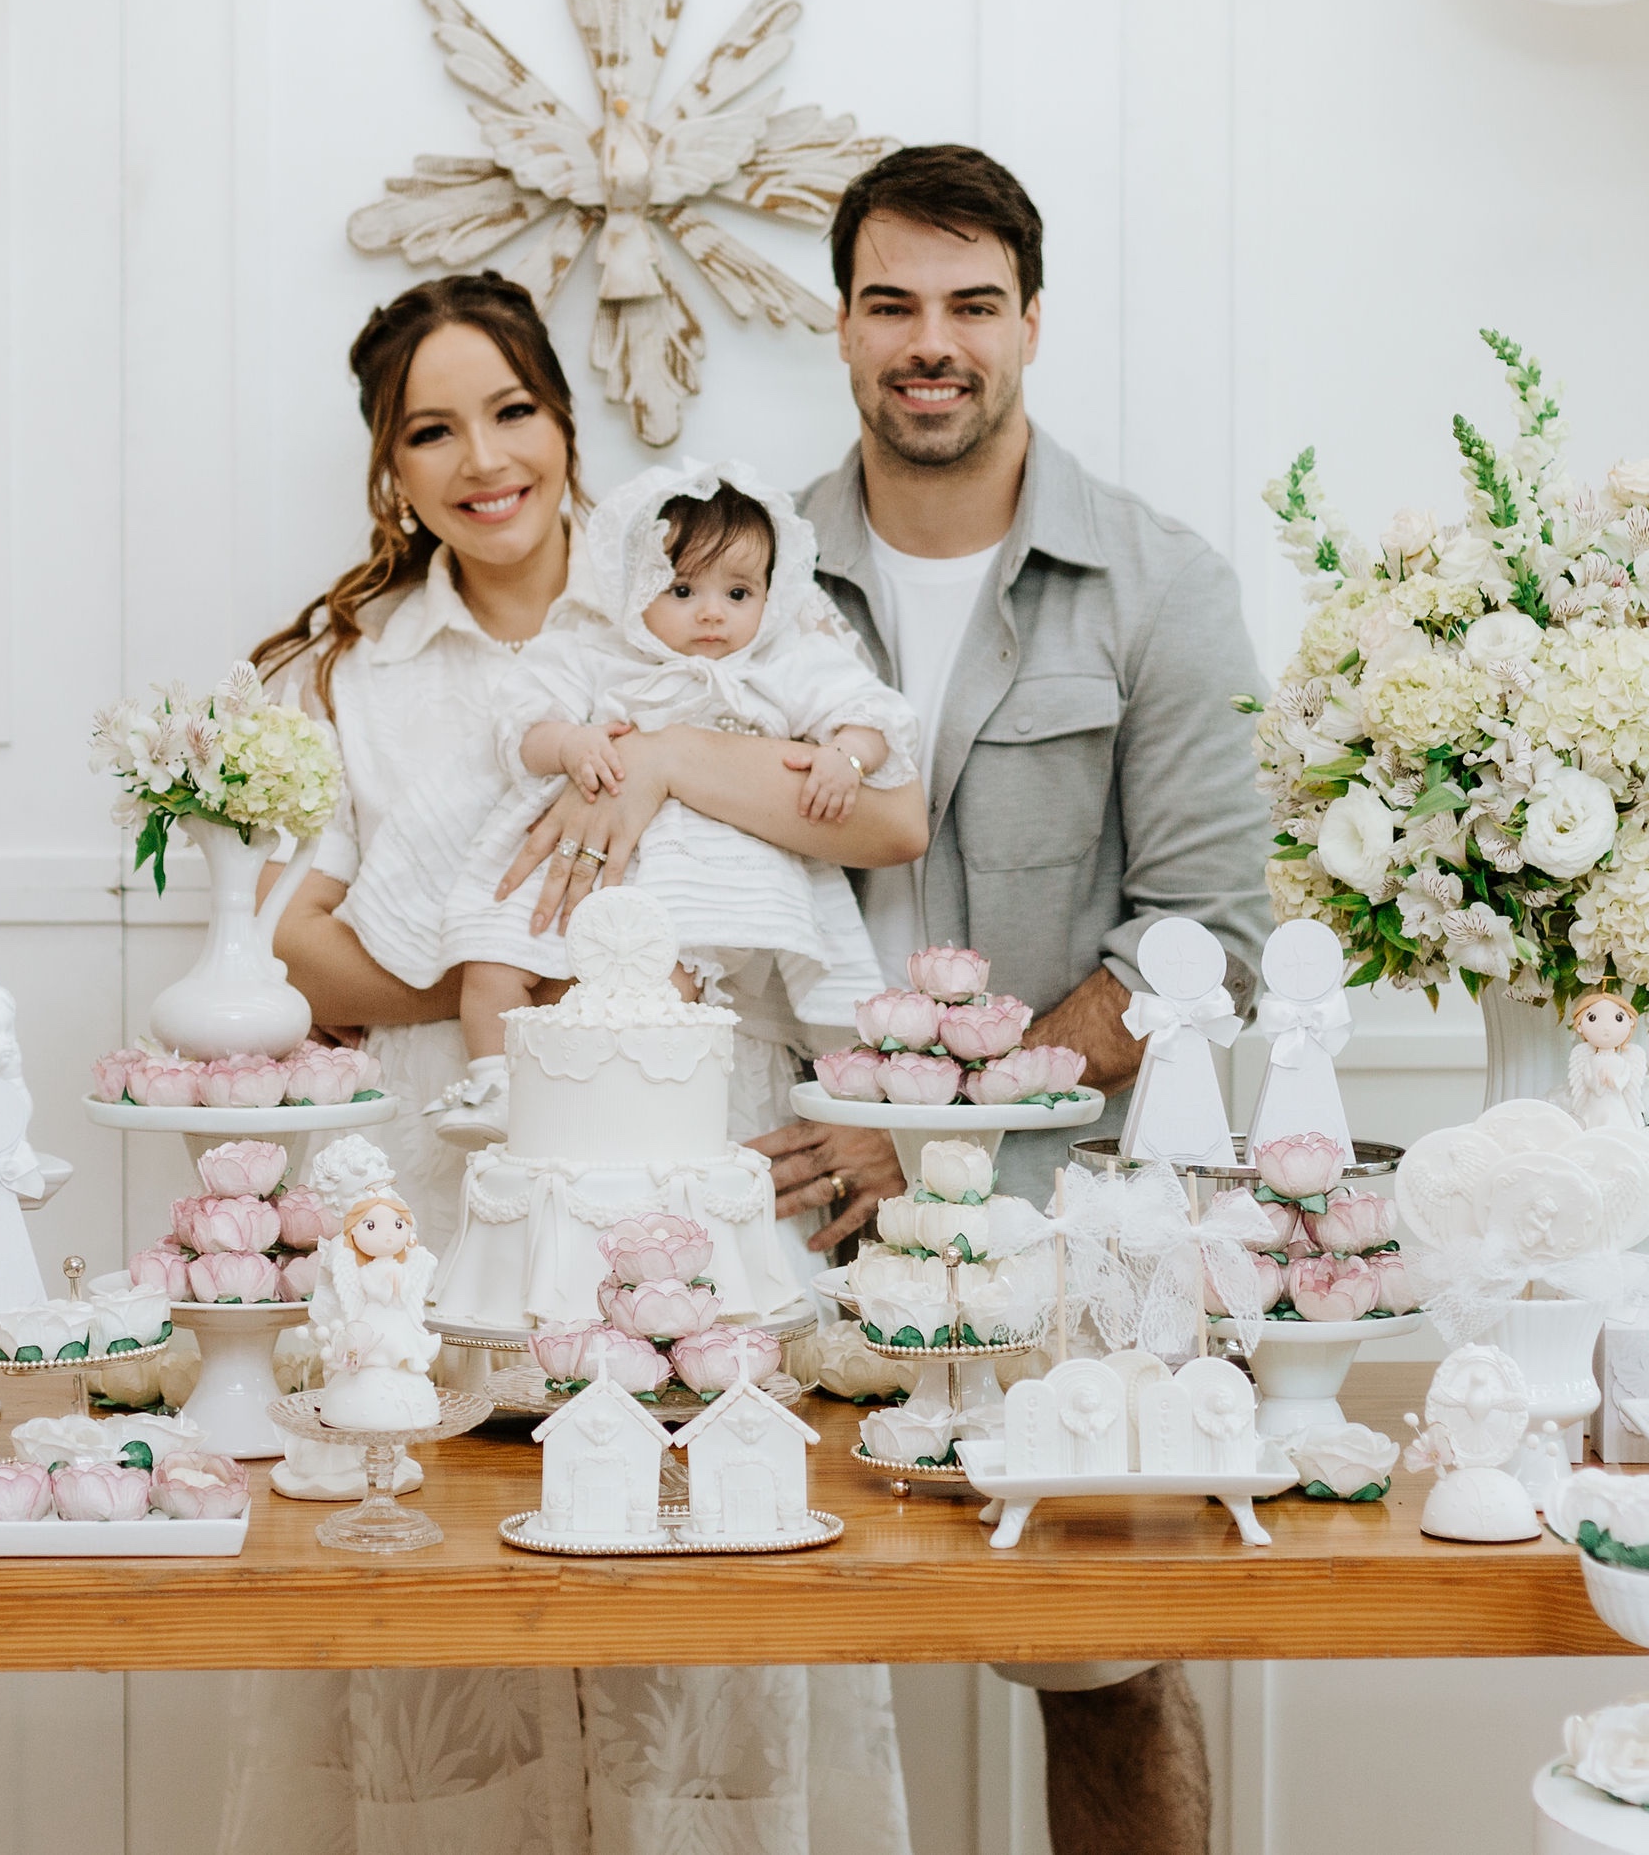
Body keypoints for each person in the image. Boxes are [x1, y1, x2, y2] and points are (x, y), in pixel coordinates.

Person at [511, 144, 1275, 1855]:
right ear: (843, 326)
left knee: (1103, 1663)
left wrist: (925, 1115)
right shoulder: (721, 576)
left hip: (1062, 1227)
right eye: (893, 304)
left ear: (1030, 324)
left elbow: (1207, 939)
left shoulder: (1158, 587)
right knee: (723, 1682)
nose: (933, 341)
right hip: (759, 1211)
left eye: (972, 304)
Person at [222, 270, 923, 1855]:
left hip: (700, 1163)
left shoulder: (708, 579)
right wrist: (524, 973)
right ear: (390, 471)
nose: (486, 458)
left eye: (514, 410)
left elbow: (884, 810)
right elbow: (292, 945)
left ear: (564, 414)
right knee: (452, 1632)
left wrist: (672, 761)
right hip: (450, 1178)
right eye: (433, 431)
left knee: (706, 1600)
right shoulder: (358, 672)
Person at [394, 457, 917, 1138]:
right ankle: (495, 1087)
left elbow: (873, 713)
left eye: (739, 594)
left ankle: (632, 1111)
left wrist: (847, 755)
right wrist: (570, 744)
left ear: (772, 593)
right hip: (576, 855)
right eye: (681, 590)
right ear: (633, 588)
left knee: (663, 991)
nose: (712, 614)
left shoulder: (779, 664)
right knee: (492, 961)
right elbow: (520, 726)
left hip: (697, 872)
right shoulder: (598, 650)